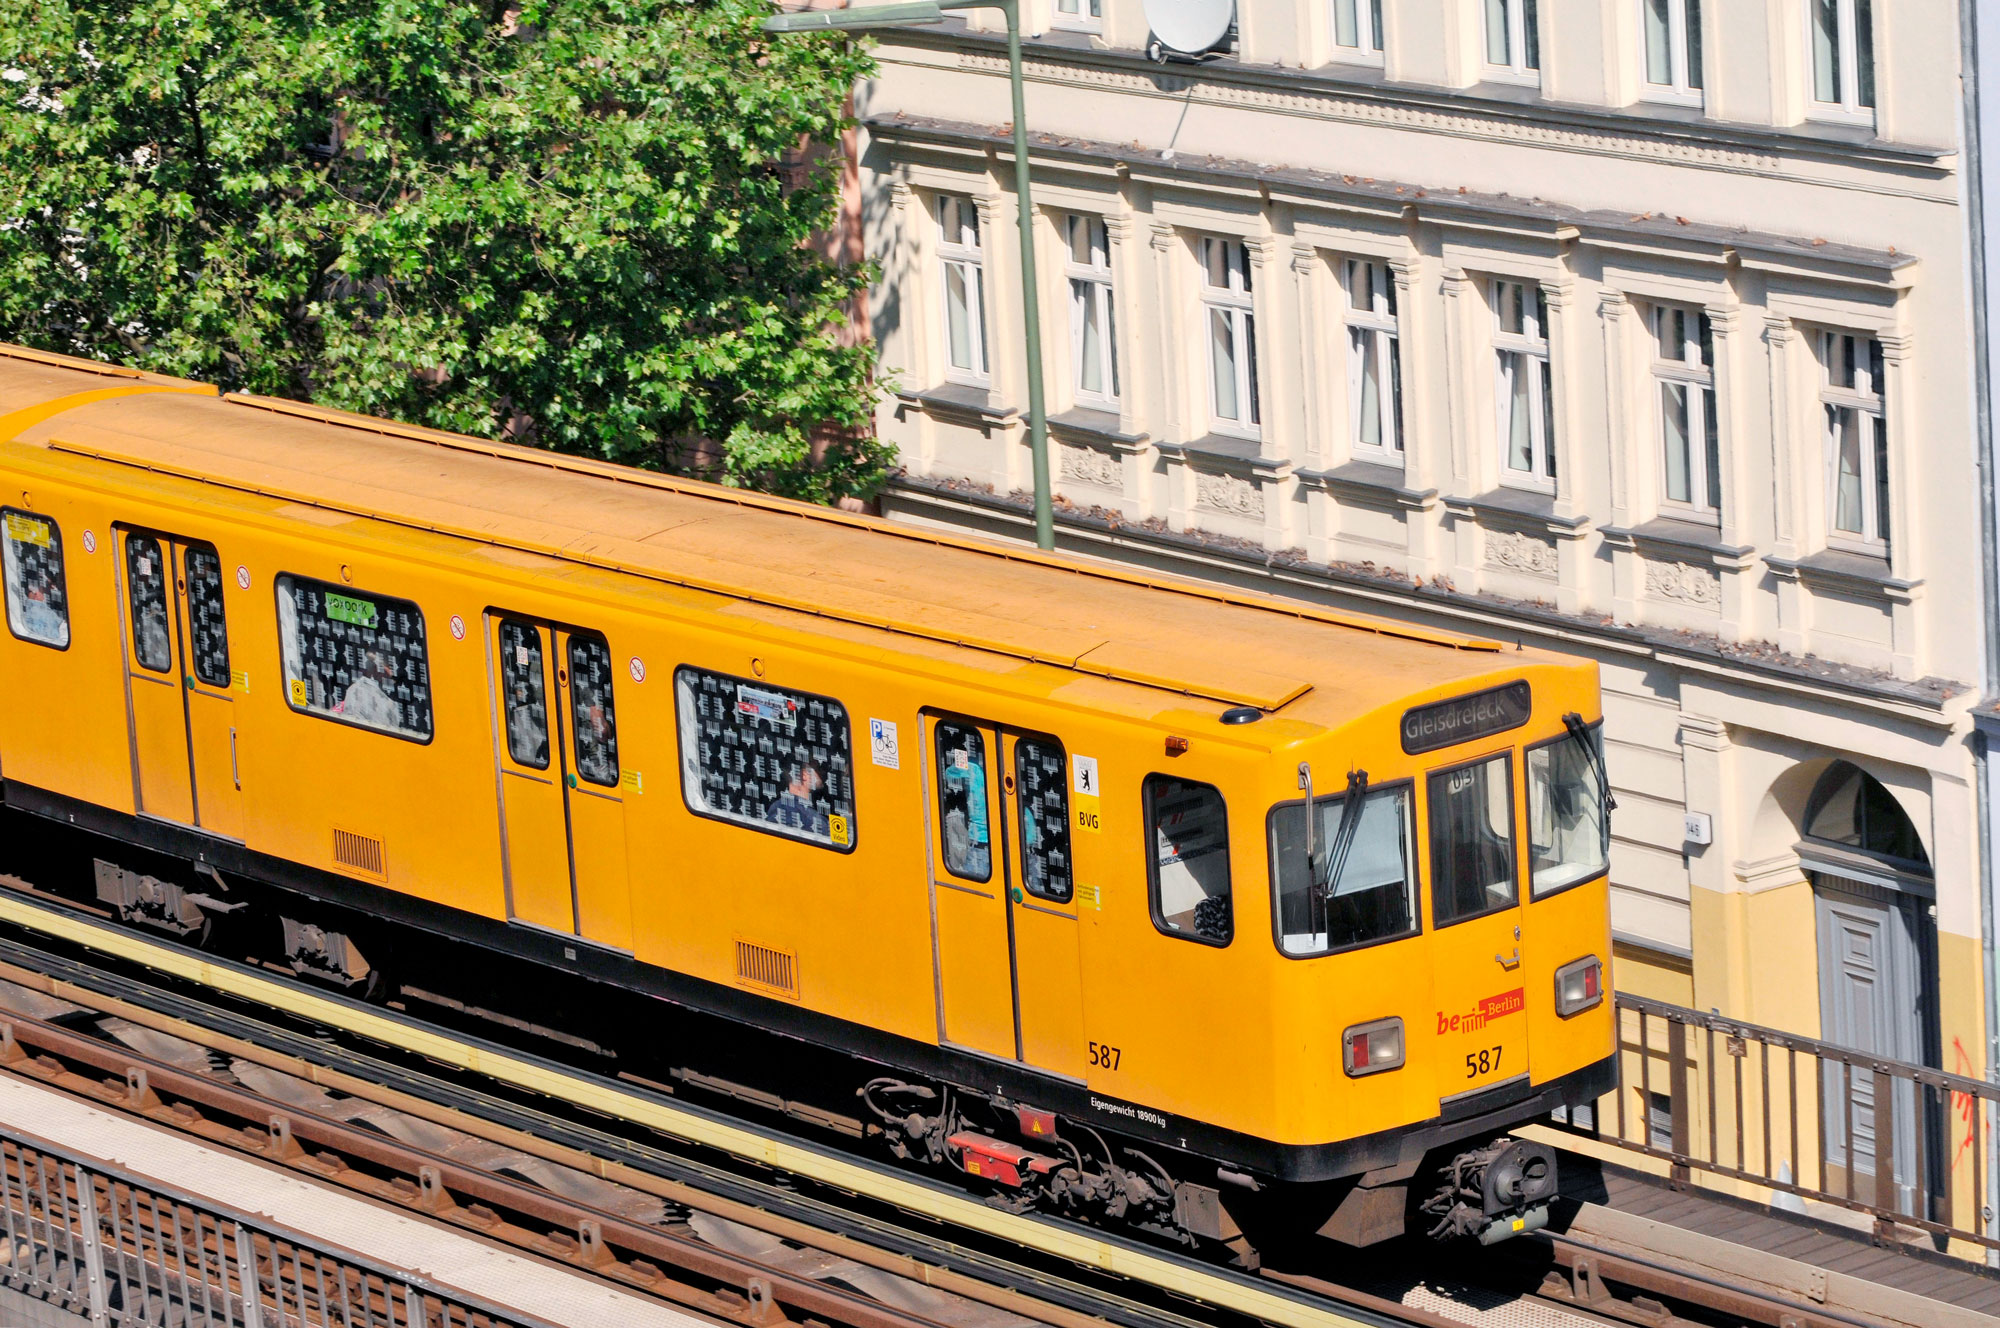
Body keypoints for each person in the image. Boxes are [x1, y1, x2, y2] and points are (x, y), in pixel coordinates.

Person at [767, 761, 829, 837]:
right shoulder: (811, 819)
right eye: (818, 768)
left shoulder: (776, 806)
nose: (822, 773)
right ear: (804, 775)